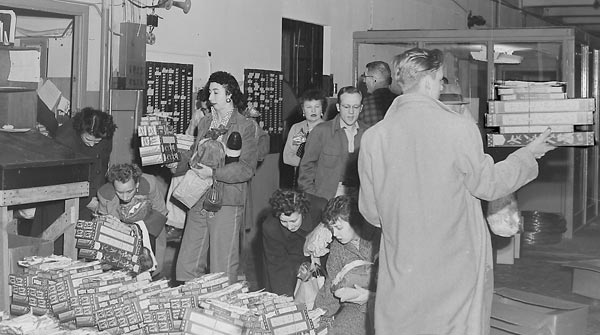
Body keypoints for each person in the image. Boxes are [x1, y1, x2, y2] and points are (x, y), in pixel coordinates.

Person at [357, 47, 556, 335]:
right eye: (441, 80)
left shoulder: (374, 138)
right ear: (428, 80)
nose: (442, 86)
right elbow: (489, 185)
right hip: (454, 267)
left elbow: (371, 212)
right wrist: (528, 155)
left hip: (403, 266)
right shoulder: (459, 129)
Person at [174, 71, 258, 284]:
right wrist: (175, 161)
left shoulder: (246, 126)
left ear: (229, 94)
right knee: (187, 262)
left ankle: (221, 311)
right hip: (198, 196)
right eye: (209, 91)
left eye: (215, 92)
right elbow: (194, 153)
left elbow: (246, 169)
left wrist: (214, 174)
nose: (209, 97)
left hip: (227, 199)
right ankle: (191, 307)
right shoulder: (205, 122)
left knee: (222, 264)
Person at [25, 108, 116, 253]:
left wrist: (98, 195)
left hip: (90, 193)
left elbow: (102, 166)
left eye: (97, 141)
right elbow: (60, 180)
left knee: (84, 243)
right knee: (55, 246)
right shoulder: (64, 140)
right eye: (88, 140)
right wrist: (87, 200)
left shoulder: (105, 134)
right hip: (60, 197)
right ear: (80, 131)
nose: (92, 145)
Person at [313, 195, 380, 335]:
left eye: (338, 227)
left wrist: (371, 296)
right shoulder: (338, 247)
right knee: (338, 331)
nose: (334, 234)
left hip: (385, 302)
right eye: (331, 229)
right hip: (355, 306)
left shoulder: (379, 238)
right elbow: (331, 282)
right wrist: (320, 313)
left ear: (355, 222)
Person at [97, 163, 168, 277]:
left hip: (151, 229)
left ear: (137, 184)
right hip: (120, 234)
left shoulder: (149, 183)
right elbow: (105, 226)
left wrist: (138, 231)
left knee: (151, 271)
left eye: (129, 191)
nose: (125, 197)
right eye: (120, 192)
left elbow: (161, 212)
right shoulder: (105, 194)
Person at [298, 86, 367, 200]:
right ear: (338, 107)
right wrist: (313, 198)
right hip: (326, 198)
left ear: (361, 108)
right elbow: (306, 169)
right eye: (346, 106)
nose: (351, 112)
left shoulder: (369, 133)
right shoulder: (321, 131)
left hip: (359, 197)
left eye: (355, 107)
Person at [262, 189, 327, 296]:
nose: (290, 226)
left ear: (302, 211)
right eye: (284, 221)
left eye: (293, 221)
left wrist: (320, 229)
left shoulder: (320, 208)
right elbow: (277, 267)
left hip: (321, 253)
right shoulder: (271, 227)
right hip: (290, 257)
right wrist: (286, 299)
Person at [282, 89, 327, 186]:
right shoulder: (296, 128)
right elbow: (287, 157)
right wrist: (309, 165)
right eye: (309, 107)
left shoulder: (329, 129)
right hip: (300, 179)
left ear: (322, 109)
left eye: (317, 106)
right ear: (303, 110)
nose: (313, 111)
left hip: (322, 179)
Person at [358, 61, 397, 127]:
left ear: (374, 80)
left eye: (365, 77)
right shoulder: (399, 101)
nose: (364, 80)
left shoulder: (365, 104)